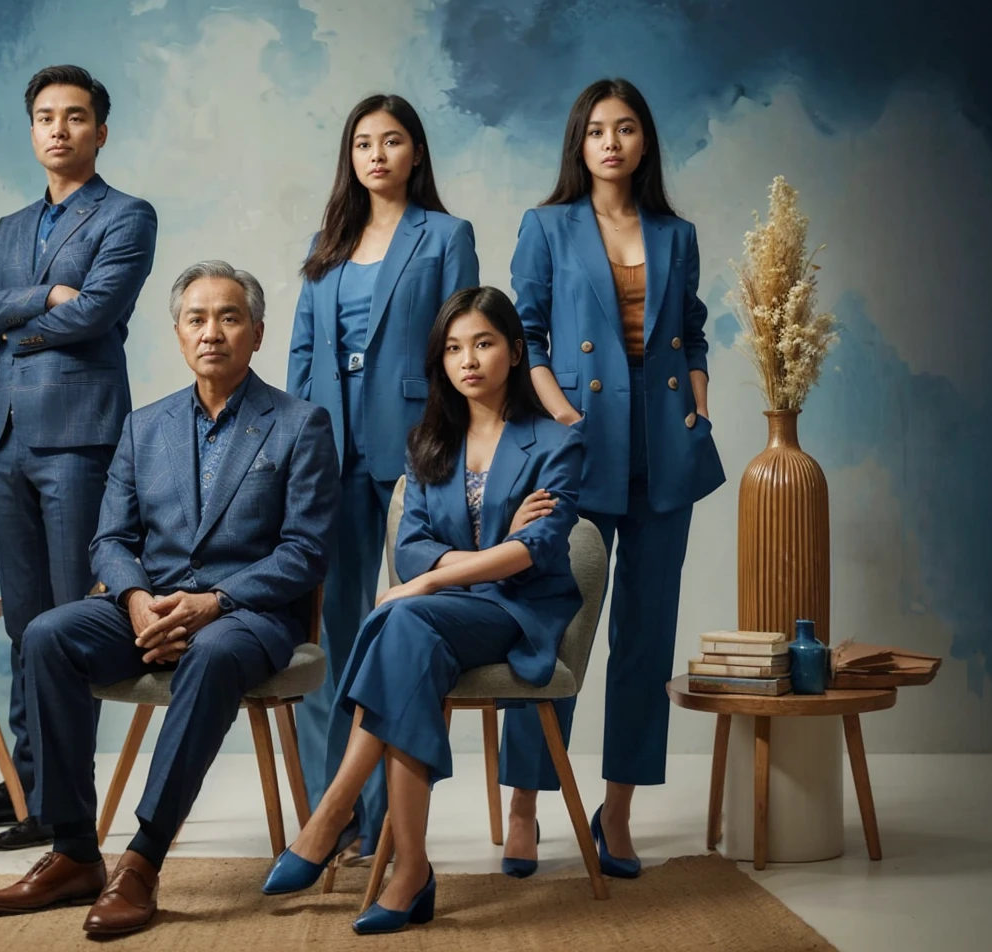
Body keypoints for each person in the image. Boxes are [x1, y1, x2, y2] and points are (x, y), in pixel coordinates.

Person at [0, 261, 340, 936]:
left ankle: (142, 860)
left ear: (257, 333)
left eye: (230, 317)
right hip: (148, 607)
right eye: (197, 319)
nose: (212, 332)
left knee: (211, 656)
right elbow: (110, 538)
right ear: (177, 333)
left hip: (249, 618)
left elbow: (305, 553)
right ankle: (74, 850)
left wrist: (213, 603)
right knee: (47, 636)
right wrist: (139, 599)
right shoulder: (145, 427)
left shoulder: (300, 425)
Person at [263, 286, 584, 935]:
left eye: (485, 343)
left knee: (397, 616)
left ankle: (332, 816)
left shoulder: (555, 442)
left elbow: (535, 552)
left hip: (515, 614)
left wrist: (440, 577)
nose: (469, 360)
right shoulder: (429, 445)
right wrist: (467, 562)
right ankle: (411, 869)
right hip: (443, 621)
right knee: (402, 634)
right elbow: (409, 550)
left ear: (516, 352)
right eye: (454, 348)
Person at [502, 77, 725, 878]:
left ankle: (618, 810)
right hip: (578, 447)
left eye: (626, 127)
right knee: (552, 629)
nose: (610, 141)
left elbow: (693, 336)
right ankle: (526, 803)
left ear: (643, 143)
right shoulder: (547, 226)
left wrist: (698, 407)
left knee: (645, 638)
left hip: (664, 452)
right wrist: (562, 415)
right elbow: (523, 336)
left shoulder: (677, 232)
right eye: (596, 128)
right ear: (580, 142)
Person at [0, 64, 158, 850]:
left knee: (68, 624)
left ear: (100, 131)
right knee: (21, 622)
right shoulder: (9, 227)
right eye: (46, 117)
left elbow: (102, 311)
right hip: (3, 437)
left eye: (75, 117)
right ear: (32, 130)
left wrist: (25, 323)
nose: (59, 130)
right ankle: (24, 784)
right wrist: (43, 299)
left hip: (78, 437)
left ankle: (61, 807)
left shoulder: (126, 215)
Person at [287, 93, 479, 856]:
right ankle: (330, 812)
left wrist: (452, 437)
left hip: (415, 446)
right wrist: (296, 444)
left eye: (392, 140)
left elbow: (464, 338)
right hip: (328, 452)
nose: (376, 154)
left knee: (403, 621)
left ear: (415, 153)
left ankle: (394, 817)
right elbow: (303, 355)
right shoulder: (326, 243)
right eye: (363, 142)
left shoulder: (445, 235)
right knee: (328, 631)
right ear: (351, 157)